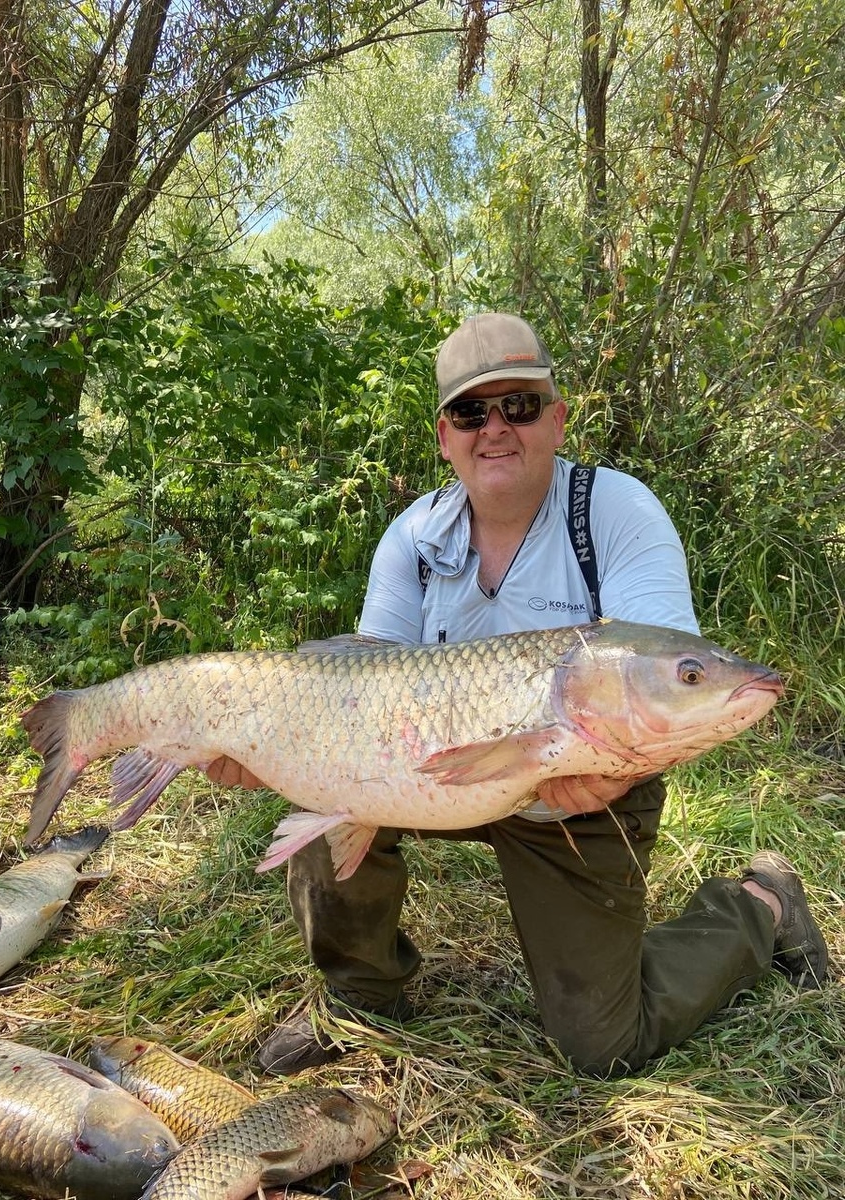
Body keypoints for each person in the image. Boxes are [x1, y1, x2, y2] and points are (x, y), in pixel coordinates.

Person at [208, 312, 828, 1078]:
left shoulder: (617, 513)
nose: (495, 428)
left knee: (603, 1047)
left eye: (520, 406)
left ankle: (761, 903)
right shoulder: (412, 538)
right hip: (435, 775)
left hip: (583, 787)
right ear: (445, 436)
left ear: (558, 419)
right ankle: (365, 990)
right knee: (327, 785)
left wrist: (618, 768)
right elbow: (360, 694)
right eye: (472, 412)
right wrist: (269, 751)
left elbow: (663, 679)